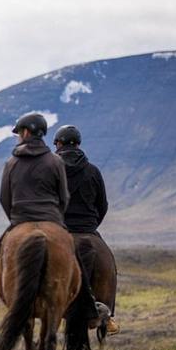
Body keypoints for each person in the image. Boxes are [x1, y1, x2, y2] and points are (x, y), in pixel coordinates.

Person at [0, 113, 110, 330]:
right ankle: (91, 309)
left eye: (19, 134)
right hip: (56, 220)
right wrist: (57, 220)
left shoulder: (12, 162)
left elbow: (4, 198)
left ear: (25, 132)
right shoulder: (55, 162)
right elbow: (66, 198)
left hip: (21, 219)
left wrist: (16, 222)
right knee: (79, 261)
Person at [54, 124, 119, 334]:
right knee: (110, 264)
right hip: (89, 230)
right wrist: (91, 227)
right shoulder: (93, 171)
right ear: (79, 145)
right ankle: (108, 317)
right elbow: (103, 205)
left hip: (60, 231)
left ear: (58, 144)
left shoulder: (52, 169)